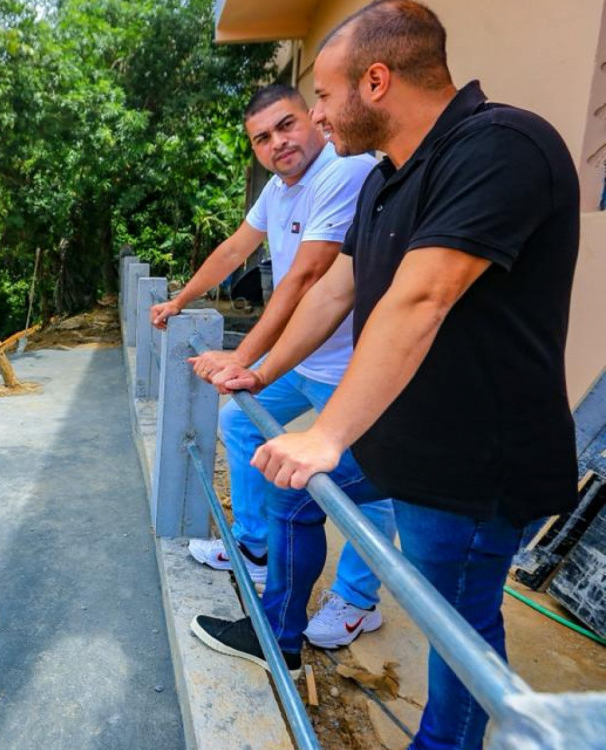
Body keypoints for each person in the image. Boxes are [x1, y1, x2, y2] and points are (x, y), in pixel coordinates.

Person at [193, 2, 580, 748]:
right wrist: (260, 369)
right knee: (293, 492)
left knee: (457, 634)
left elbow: (423, 295)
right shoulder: (383, 179)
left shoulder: (502, 145)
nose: (319, 117)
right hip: (405, 435)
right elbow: (335, 289)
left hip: (474, 463)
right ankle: (280, 630)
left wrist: (329, 432)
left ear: (376, 81)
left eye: (327, 97)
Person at [150, 83, 396, 648]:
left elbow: (309, 278)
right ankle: (255, 544)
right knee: (239, 423)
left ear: (312, 118)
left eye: (286, 126)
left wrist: (244, 356)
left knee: (370, 489)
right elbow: (236, 249)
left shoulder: (343, 169)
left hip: (356, 367)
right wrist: (182, 299)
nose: (277, 144)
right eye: (262, 138)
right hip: (307, 359)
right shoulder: (280, 190)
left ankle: (359, 602)